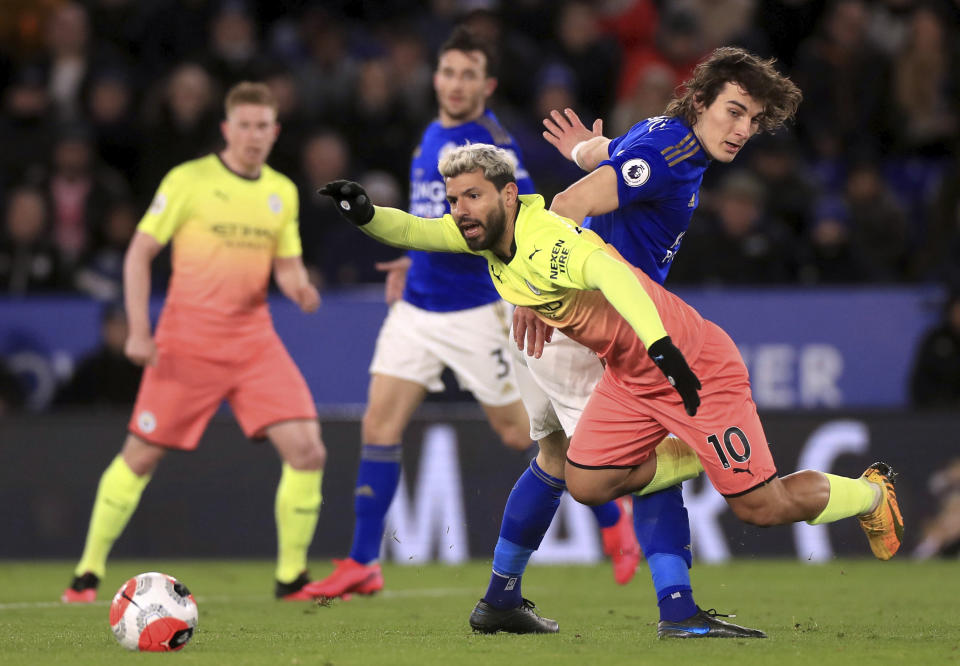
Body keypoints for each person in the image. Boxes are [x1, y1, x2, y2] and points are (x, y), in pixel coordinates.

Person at [319, 142, 904, 633]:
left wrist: (660, 346)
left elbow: (615, 276)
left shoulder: (550, 241)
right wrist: (365, 214)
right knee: (586, 482)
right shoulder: (487, 235)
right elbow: (418, 230)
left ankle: (871, 494)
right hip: (629, 380)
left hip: (691, 366)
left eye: (471, 197)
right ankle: (697, 463)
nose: (460, 210)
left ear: (505, 194)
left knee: (760, 506)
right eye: (453, 200)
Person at [304, 26, 640, 600]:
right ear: (436, 77)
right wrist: (414, 261)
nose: (455, 84)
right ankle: (363, 561)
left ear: (486, 85)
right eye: (448, 72)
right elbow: (432, 220)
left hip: (475, 312)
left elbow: (527, 225)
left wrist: (531, 297)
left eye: (468, 75)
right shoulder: (433, 133)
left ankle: (616, 521)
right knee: (379, 424)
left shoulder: (493, 150)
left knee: (523, 435)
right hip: (416, 308)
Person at [505, 46, 804, 638]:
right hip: (593, 321)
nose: (742, 130)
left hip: (571, 316)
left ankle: (498, 595)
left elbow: (613, 159)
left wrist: (585, 152)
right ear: (700, 102)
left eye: (753, 121)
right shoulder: (672, 155)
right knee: (655, 452)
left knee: (556, 457)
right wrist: (536, 295)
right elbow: (567, 204)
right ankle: (678, 610)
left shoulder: (663, 135)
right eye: (734, 112)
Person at [62, 82, 329, 603]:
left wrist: (300, 289)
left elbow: (288, 265)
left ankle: (291, 578)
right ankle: (86, 574)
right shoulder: (189, 180)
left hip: (253, 343)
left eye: (263, 127)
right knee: (139, 457)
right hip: (187, 342)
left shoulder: (282, 191)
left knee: (308, 450)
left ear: (275, 133)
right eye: (244, 125)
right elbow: (138, 254)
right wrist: (139, 329)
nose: (253, 135)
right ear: (228, 130)